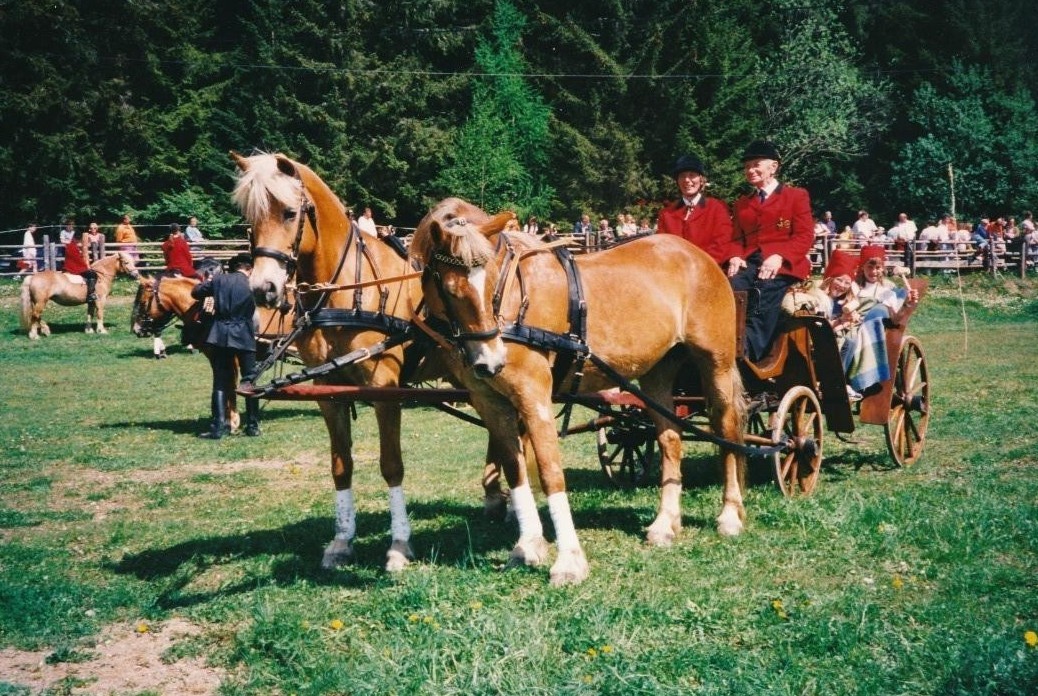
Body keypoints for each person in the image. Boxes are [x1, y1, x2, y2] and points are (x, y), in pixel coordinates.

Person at [725, 140, 815, 362]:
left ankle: (747, 354)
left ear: (773, 167)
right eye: (747, 167)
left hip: (784, 264)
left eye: (756, 164)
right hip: (751, 262)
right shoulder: (742, 204)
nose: (750, 170)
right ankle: (722, 343)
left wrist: (780, 256)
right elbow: (736, 239)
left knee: (762, 291)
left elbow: (805, 236)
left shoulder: (796, 196)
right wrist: (735, 255)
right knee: (730, 288)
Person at [191, 253, 261, 439]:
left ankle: (218, 427)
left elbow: (195, 292)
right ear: (249, 268)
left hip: (220, 335)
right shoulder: (252, 282)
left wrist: (211, 281)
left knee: (220, 382)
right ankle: (253, 426)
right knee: (250, 381)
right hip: (244, 335)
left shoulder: (219, 280)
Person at [656, 153, 732, 264]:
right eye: (682, 176)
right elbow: (662, 247)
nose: (687, 180)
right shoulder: (666, 214)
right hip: (674, 270)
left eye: (692, 175)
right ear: (677, 181)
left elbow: (722, 243)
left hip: (708, 268)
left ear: (701, 179)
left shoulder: (717, 208)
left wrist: (698, 265)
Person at [61, 228, 98, 303]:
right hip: (74, 268)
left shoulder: (71, 245)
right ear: (79, 239)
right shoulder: (73, 247)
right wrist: (86, 267)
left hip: (72, 266)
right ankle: (90, 295)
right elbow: (78, 260)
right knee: (92, 275)